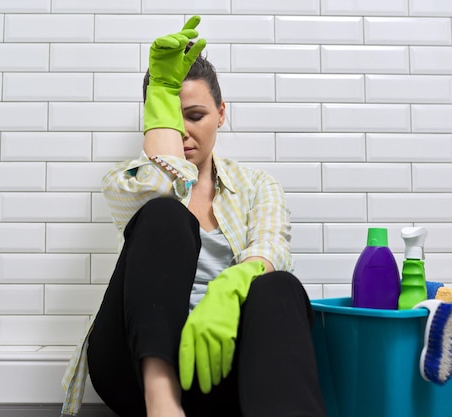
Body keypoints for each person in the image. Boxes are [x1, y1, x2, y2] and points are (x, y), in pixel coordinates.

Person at [61, 15, 326, 417]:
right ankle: (162, 402)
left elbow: (273, 247)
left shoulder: (257, 185)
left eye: (196, 115)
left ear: (221, 113)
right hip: (131, 370)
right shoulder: (129, 179)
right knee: (165, 214)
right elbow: (160, 187)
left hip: (218, 365)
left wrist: (233, 285)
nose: (183, 132)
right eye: (172, 117)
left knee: (280, 286)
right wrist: (161, 92)